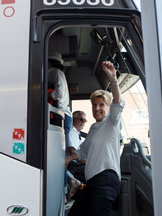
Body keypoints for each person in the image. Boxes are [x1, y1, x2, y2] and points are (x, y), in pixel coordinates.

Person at [65, 61, 125, 216]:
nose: (97, 108)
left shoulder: (111, 122)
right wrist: (69, 158)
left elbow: (118, 103)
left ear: (108, 107)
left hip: (105, 179)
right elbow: (83, 149)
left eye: (101, 105)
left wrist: (113, 79)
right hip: (92, 181)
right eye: (94, 105)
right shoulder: (93, 127)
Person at [47, 52, 72, 201]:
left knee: (60, 156)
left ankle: (63, 191)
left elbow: (58, 93)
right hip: (62, 115)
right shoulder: (57, 73)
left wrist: (47, 94)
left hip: (61, 114)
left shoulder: (54, 72)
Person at [66, 111, 87, 181]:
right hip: (73, 165)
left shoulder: (77, 134)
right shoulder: (72, 131)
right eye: (81, 119)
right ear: (73, 119)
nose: (83, 122)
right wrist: (87, 162)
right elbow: (72, 152)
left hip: (77, 163)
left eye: (85, 120)